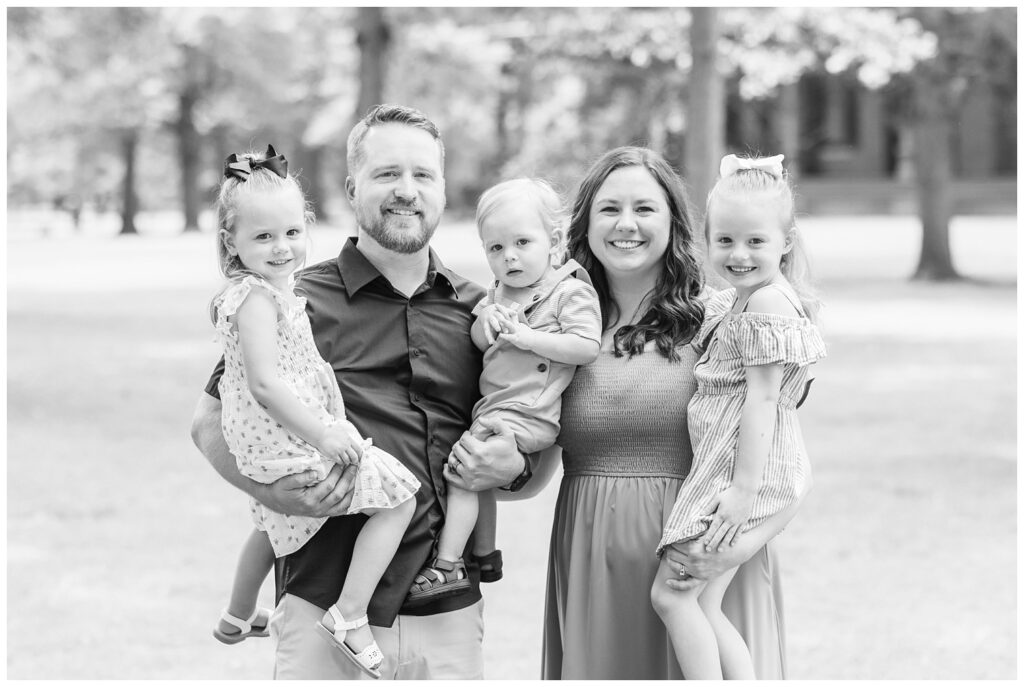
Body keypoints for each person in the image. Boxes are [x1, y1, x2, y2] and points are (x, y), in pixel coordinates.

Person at [190, 105, 532, 680]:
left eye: (423, 175)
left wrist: (516, 463)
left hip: (446, 611)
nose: (406, 190)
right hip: (320, 600)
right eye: (386, 174)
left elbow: (528, 440)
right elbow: (208, 424)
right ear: (352, 188)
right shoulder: (291, 300)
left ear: (443, 189)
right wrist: (272, 495)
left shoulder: (484, 313)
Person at [510, 146, 811, 680]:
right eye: (609, 208)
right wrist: (495, 468)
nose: (627, 224)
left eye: (645, 208)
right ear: (584, 223)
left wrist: (734, 547)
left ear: (675, 222)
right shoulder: (558, 331)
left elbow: (787, 467)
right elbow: (537, 466)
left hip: (703, 560)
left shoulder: (722, 320)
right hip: (591, 560)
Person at [207, 145, 420, 679]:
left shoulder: (276, 290)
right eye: (262, 237)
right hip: (287, 438)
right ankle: (350, 614)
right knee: (399, 498)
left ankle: (237, 616)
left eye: (291, 233)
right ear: (230, 241)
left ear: (306, 226)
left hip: (273, 442)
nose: (281, 248)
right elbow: (263, 384)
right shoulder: (254, 298)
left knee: (270, 524)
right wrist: (325, 434)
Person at [651, 154, 826, 678]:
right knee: (701, 602)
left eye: (756, 241)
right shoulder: (737, 301)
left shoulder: (769, 304)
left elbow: (764, 401)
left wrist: (743, 490)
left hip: (736, 472)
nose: (739, 254)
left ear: (786, 242)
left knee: (672, 594)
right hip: (732, 465)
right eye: (725, 240)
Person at [407, 179, 601, 605]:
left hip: (528, 412)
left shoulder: (570, 291)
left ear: (553, 242)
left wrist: (531, 338)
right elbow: (480, 342)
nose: (508, 255)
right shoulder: (497, 293)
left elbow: (586, 347)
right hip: (495, 407)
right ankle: (486, 554)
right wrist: (486, 322)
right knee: (477, 478)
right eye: (495, 248)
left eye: (521, 242)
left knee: (461, 472)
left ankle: (448, 563)